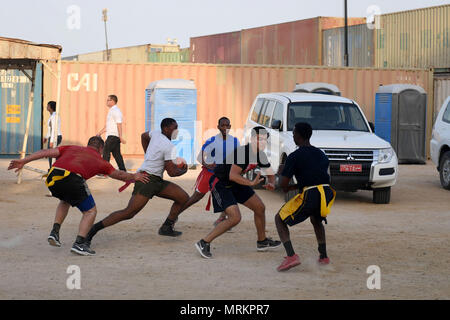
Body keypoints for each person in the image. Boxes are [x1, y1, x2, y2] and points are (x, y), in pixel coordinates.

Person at [7, 136, 150, 256]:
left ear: (88, 145)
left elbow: (46, 152)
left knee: (65, 200)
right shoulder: (101, 162)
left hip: (52, 177)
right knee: (90, 211)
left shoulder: (71, 148)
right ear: (101, 149)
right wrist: (134, 176)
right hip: (71, 178)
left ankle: (55, 232)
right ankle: (80, 244)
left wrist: (24, 161)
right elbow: (119, 175)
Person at [85, 118, 190, 245]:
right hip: (147, 180)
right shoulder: (169, 146)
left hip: (156, 179)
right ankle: (92, 230)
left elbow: (143, 136)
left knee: (183, 197)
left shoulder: (156, 133)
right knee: (129, 212)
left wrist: (148, 154)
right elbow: (172, 173)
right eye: (175, 128)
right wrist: (184, 169)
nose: (177, 131)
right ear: (166, 129)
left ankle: (167, 227)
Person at [195, 126, 282, 259]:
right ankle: (204, 242)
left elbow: (270, 173)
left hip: (235, 183)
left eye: (265, 140)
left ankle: (262, 241)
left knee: (259, 207)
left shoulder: (260, 154)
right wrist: (251, 183)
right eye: (259, 139)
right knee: (235, 218)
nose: (262, 143)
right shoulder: (243, 152)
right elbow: (233, 175)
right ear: (252, 139)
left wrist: (271, 183)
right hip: (221, 183)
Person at [274, 122, 336, 272]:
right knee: (316, 219)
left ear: (299, 136)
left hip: (311, 193)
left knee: (279, 219)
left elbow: (282, 184)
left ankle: (291, 256)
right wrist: (294, 187)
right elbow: (316, 178)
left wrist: (280, 173)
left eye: (294, 133)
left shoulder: (294, 156)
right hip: (326, 192)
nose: (293, 135)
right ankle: (323, 257)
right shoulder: (320, 153)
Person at [178, 117, 239, 226]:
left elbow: (238, 158)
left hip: (224, 176)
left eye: (227, 125)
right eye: (222, 125)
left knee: (229, 196)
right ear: (218, 127)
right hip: (210, 174)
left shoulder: (235, 141)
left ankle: (222, 218)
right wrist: (207, 165)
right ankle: (174, 216)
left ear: (230, 127)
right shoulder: (212, 141)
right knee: (196, 197)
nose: (225, 128)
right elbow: (199, 157)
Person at [97, 94, 127, 172]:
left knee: (106, 152)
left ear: (113, 101)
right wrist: (100, 133)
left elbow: (119, 124)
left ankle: (104, 172)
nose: (106, 102)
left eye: (108, 100)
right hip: (112, 136)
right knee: (117, 155)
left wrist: (120, 136)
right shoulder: (111, 111)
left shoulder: (116, 111)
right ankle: (123, 170)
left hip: (113, 136)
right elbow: (108, 126)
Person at [42, 101, 62, 169]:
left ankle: (54, 169)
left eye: (48, 106)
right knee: (50, 154)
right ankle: (53, 168)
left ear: (51, 107)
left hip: (56, 136)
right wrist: (46, 137)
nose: (46, 107)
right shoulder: (52, 116)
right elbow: (50, 129)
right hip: (53, 136)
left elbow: (54, 130)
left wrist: (51, 141)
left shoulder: (54, 116)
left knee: (51, 154)